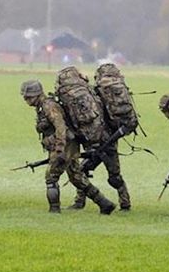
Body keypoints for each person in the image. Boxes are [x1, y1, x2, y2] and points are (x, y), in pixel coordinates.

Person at [21, 79, 115, 214]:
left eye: (28, 97)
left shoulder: (49, 106)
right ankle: (104, 204)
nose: (26, 100)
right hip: (68, 145)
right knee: (76, 177)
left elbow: (61, 128)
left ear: (36, 94)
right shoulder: (43, 106)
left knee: (51, 176)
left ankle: (54, 209)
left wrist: (59, 149)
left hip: (65, 146)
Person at [71, 64, 132, 212]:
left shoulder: (96, 92)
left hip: (102, 140)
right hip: (107, 139)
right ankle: (80, 201)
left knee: (112, 175)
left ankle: (125, 204)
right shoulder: (106, 94)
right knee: (86, 170)